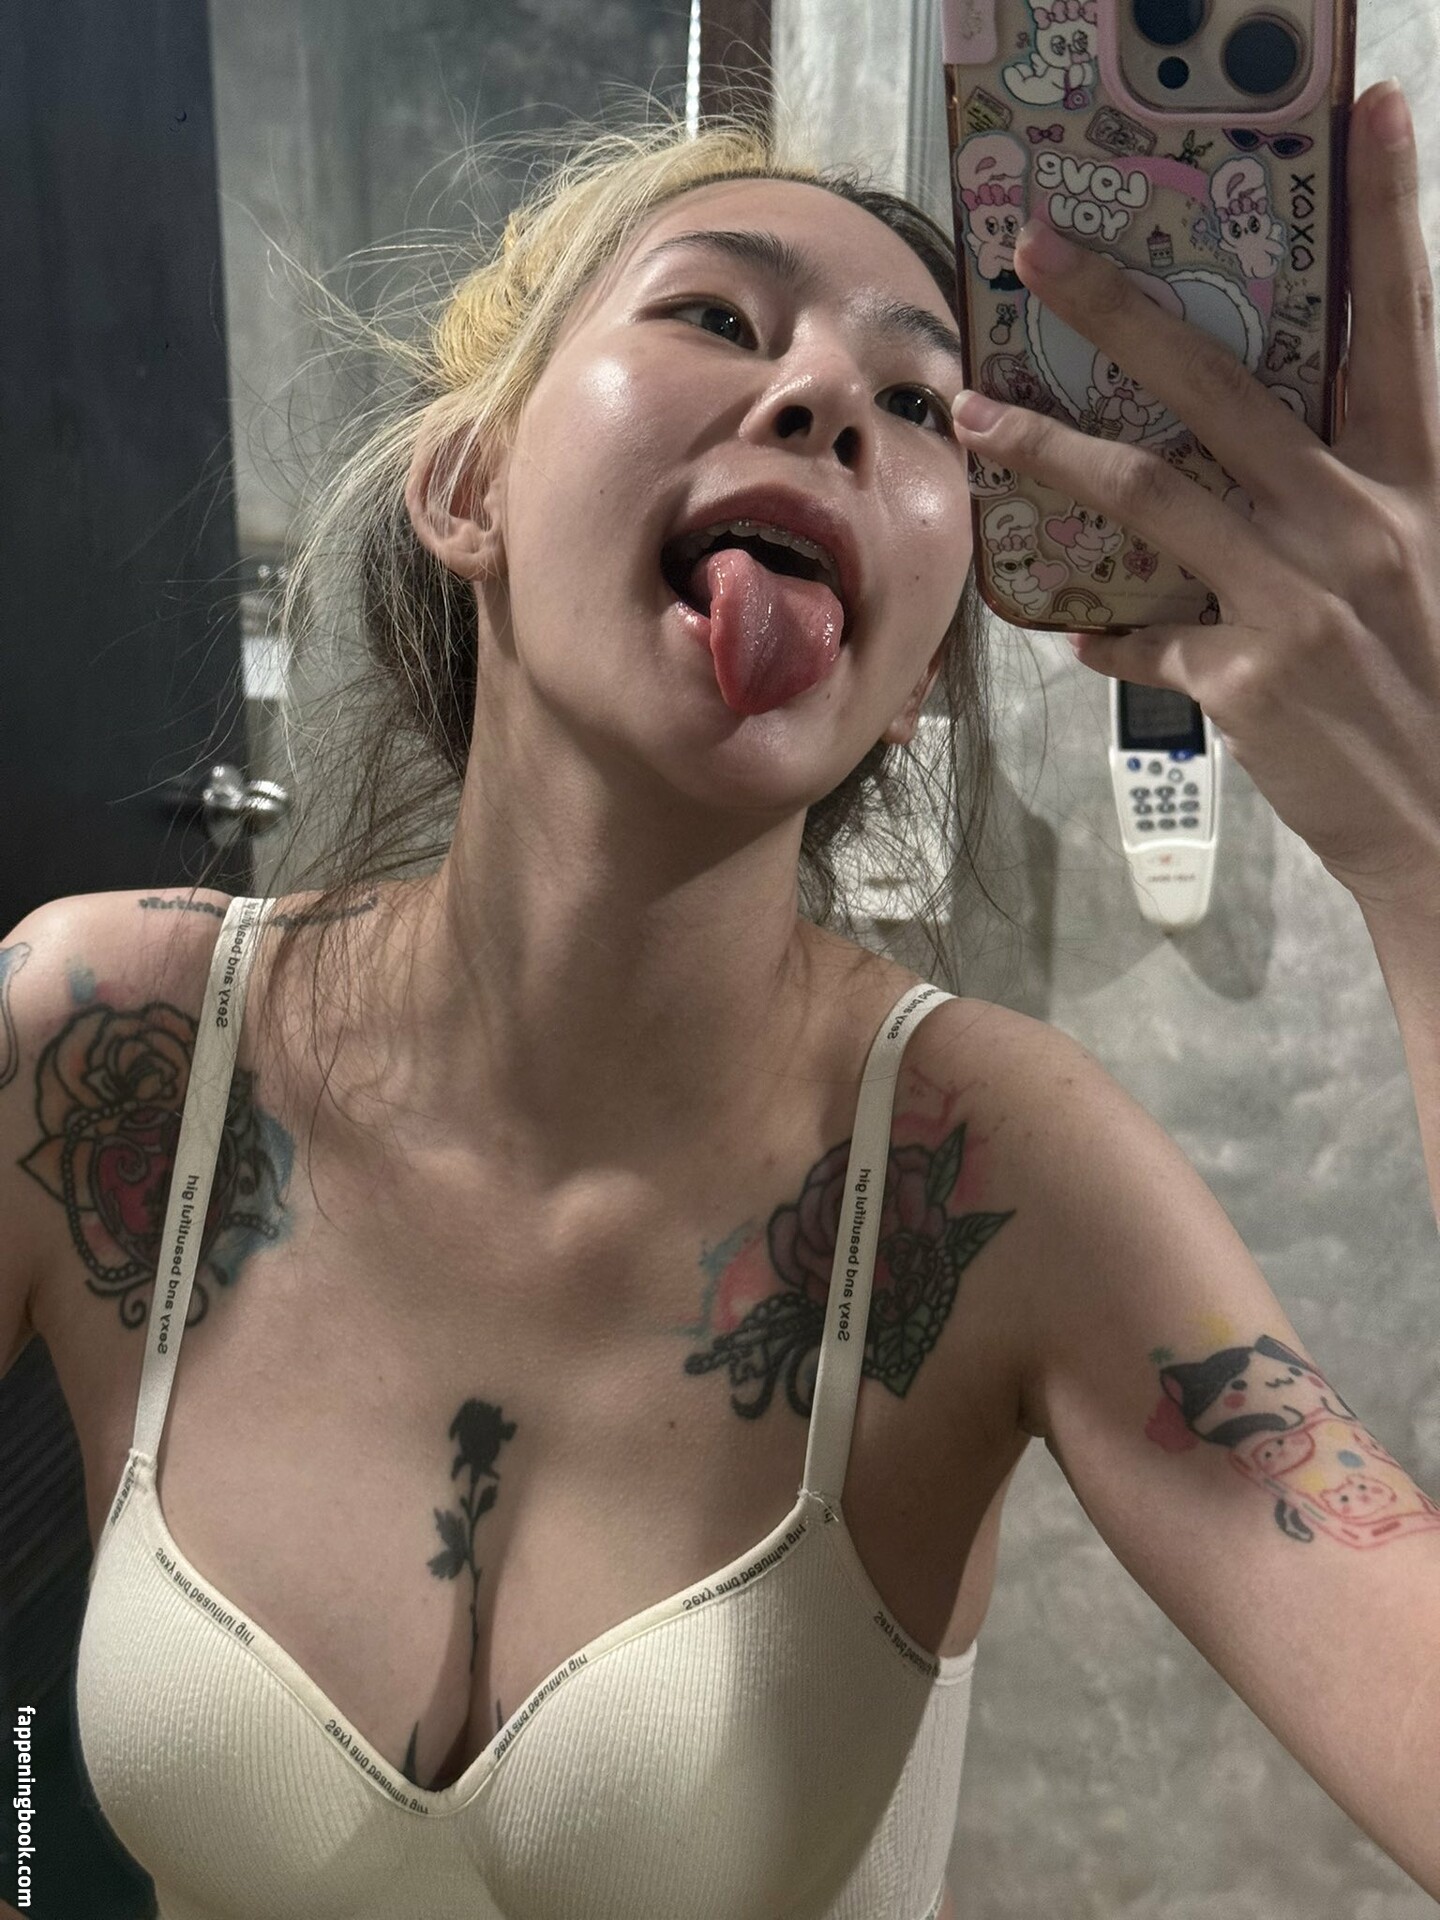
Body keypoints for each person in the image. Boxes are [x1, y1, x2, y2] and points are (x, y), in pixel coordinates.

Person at [2, 74, 1438, 1920]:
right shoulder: (103, 1042)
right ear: (467, 485)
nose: (826, 397)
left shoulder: (997, 1176)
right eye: (715, 316)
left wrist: (1426, 858)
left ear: (915, 676)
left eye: (916, 405)